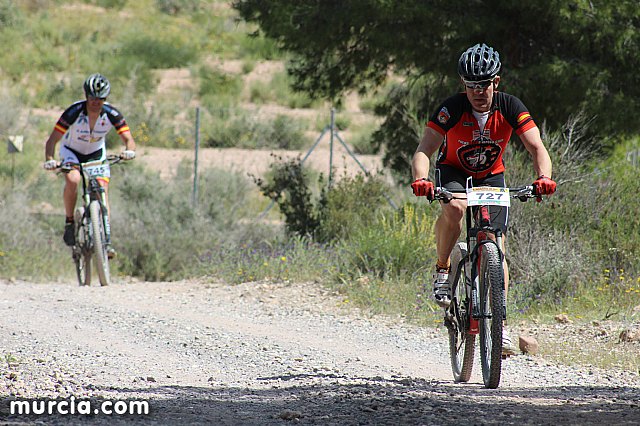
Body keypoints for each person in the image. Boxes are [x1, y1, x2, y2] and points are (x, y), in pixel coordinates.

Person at [410, 43, 556, 354]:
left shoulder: (511, 106)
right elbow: (424, 150)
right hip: (453, 171)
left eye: (484, 84)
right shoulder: (451, 108)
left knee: (496, 243)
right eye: (471, 85)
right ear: (463, 85)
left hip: (491, 175)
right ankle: (443, 268)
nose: (478, 91)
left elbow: (537, 147)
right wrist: (422, 179)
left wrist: (543, 177)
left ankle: (500, 324)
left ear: (496, 82)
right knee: (456, 207)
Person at [43, 73, 136, 258]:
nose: (96, 103)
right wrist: (49, 159)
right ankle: (70, 221)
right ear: (86, 96)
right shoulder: (74, 112)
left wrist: (129, 151)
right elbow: (52, 140)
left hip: (95, 153)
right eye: (93, 98)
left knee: (102, 188)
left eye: (100, 99)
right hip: (71, 151)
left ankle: (106, 241)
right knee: (73, 179)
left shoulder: (112, 114)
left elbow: (129, 139)